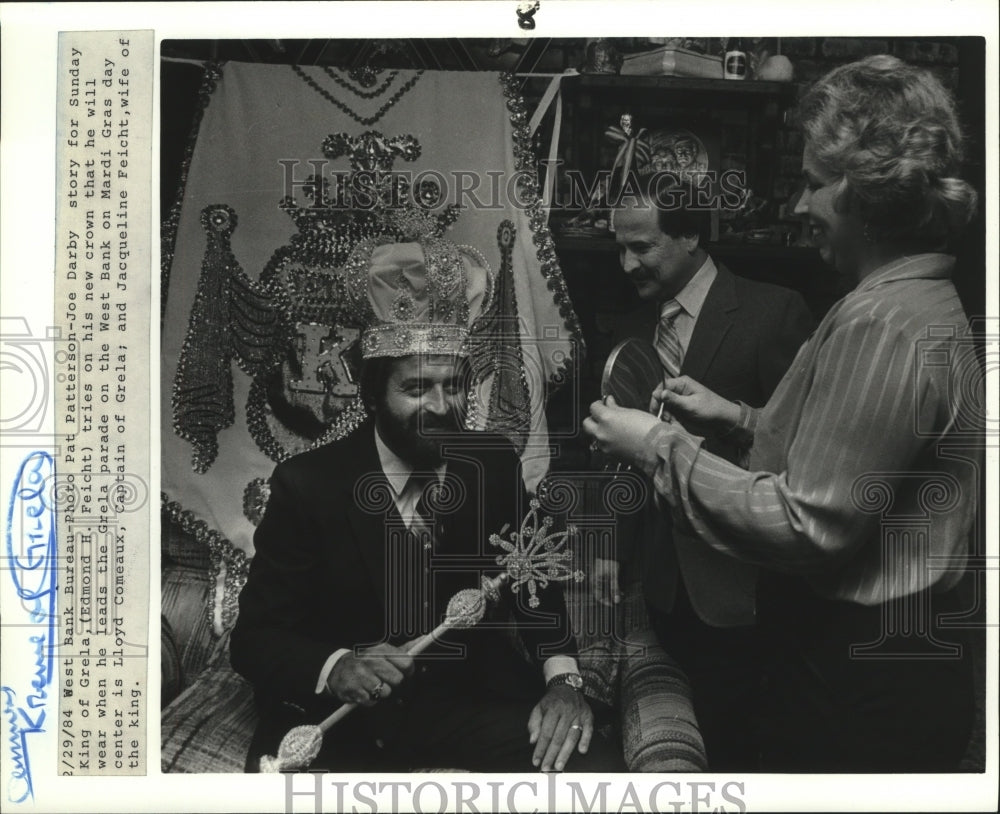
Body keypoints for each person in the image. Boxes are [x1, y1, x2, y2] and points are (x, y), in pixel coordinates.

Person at [584, 55, 980, 772]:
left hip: (867, 669)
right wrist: (737, 416)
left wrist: (656, 446)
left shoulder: (881, 321)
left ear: (870, 192)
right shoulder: (911, 303)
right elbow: (846, 448)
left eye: (813, 184)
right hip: (878, 655)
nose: (798, 207)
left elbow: (809, 523)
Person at [231, 236, 624, 773]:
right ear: (373, 394)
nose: (443, 407)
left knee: (595, 771)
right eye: (417, 389)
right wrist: (336, 664)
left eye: (455, 386)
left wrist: (563, 680)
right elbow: (254, 639)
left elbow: (532, 585)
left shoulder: (492, 465)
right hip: (344, 720)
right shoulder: (308, 486)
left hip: (464, 707)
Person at [592, 175, 814, 769]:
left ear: (690, 234)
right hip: (665, 583)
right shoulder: (631, 330)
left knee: (747, 743)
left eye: (641, 246)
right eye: (619, 247)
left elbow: (804, 446)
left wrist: (733, 421)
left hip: (748, 582)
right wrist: (612, 548)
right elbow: (622, 457)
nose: (626, 263)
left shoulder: (773, 312)